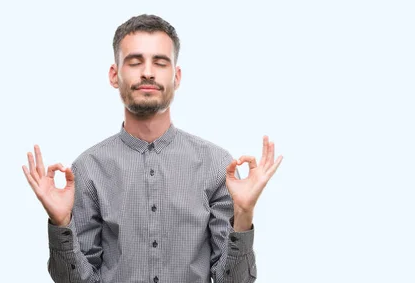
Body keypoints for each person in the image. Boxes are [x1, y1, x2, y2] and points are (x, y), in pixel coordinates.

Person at [21, 14, 282, 283]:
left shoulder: (216, 166)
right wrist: (61, 223)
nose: (148, 72)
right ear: (114, 75)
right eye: (135, 62)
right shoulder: (88, 170)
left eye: (160, 62)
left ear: (176, 77)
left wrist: (244, 216)